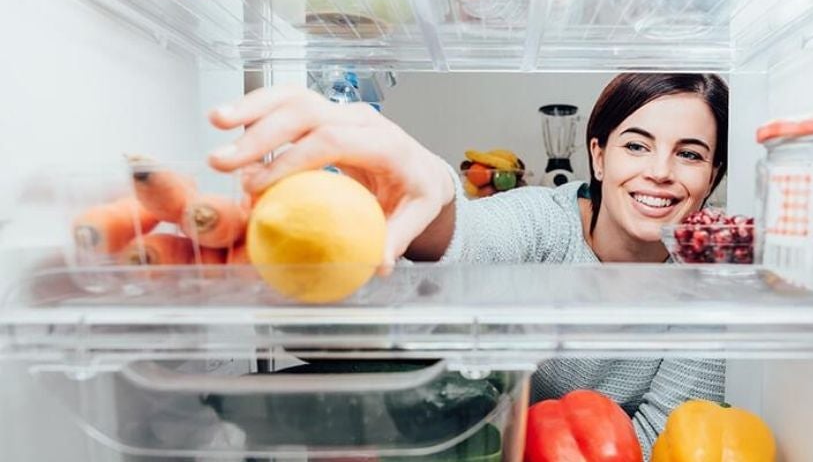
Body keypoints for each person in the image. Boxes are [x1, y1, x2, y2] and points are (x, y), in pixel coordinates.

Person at [207, 73, 728, 458]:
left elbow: (671, 437)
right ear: (598, 155)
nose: (659, 172)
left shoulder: (708, 280)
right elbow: (471, 238)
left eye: (689, 154)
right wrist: (433, 192)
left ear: (714, 175)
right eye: (636, 146)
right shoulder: (545, 221)